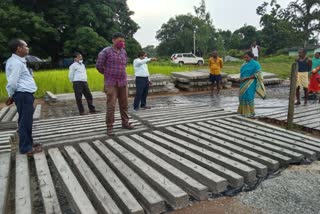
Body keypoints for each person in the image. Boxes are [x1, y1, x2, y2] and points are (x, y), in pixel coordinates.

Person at [5, 39, 42, 155]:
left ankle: (29, 143)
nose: (28, 48)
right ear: (18, 48)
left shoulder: (19, 62)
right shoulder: (16, 63)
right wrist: (11, 95)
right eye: (25, 46)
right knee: (25, 121)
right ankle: (25, 148)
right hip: (23, 95)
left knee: (26, 120)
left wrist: (12, 95)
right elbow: (12, 82)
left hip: (24, 94)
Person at [96, 32, 133, 136]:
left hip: (123, 82)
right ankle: (109, 127)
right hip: (111, 82)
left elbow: (124, 64)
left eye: (123, 41)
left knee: (124, 104)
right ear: (113, 40)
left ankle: (125, 123)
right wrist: (108, 73)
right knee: (111, 105)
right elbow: (99, 66)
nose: (122, 43)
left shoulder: (123, 52)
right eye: (120, 40)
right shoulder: (105, 52)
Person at [238, 51, 266, 117]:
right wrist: (242, 79)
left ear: (251, 57)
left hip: (250, 82)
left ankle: (250, 112)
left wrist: (247, 78)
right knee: (242, 96)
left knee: (249, 96)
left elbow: (258, 74)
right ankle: (243, 111)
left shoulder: (256, 64)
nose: (245, 59)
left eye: (247, 57)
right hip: (243, 82)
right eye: (244, 57)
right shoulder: (244, 63)